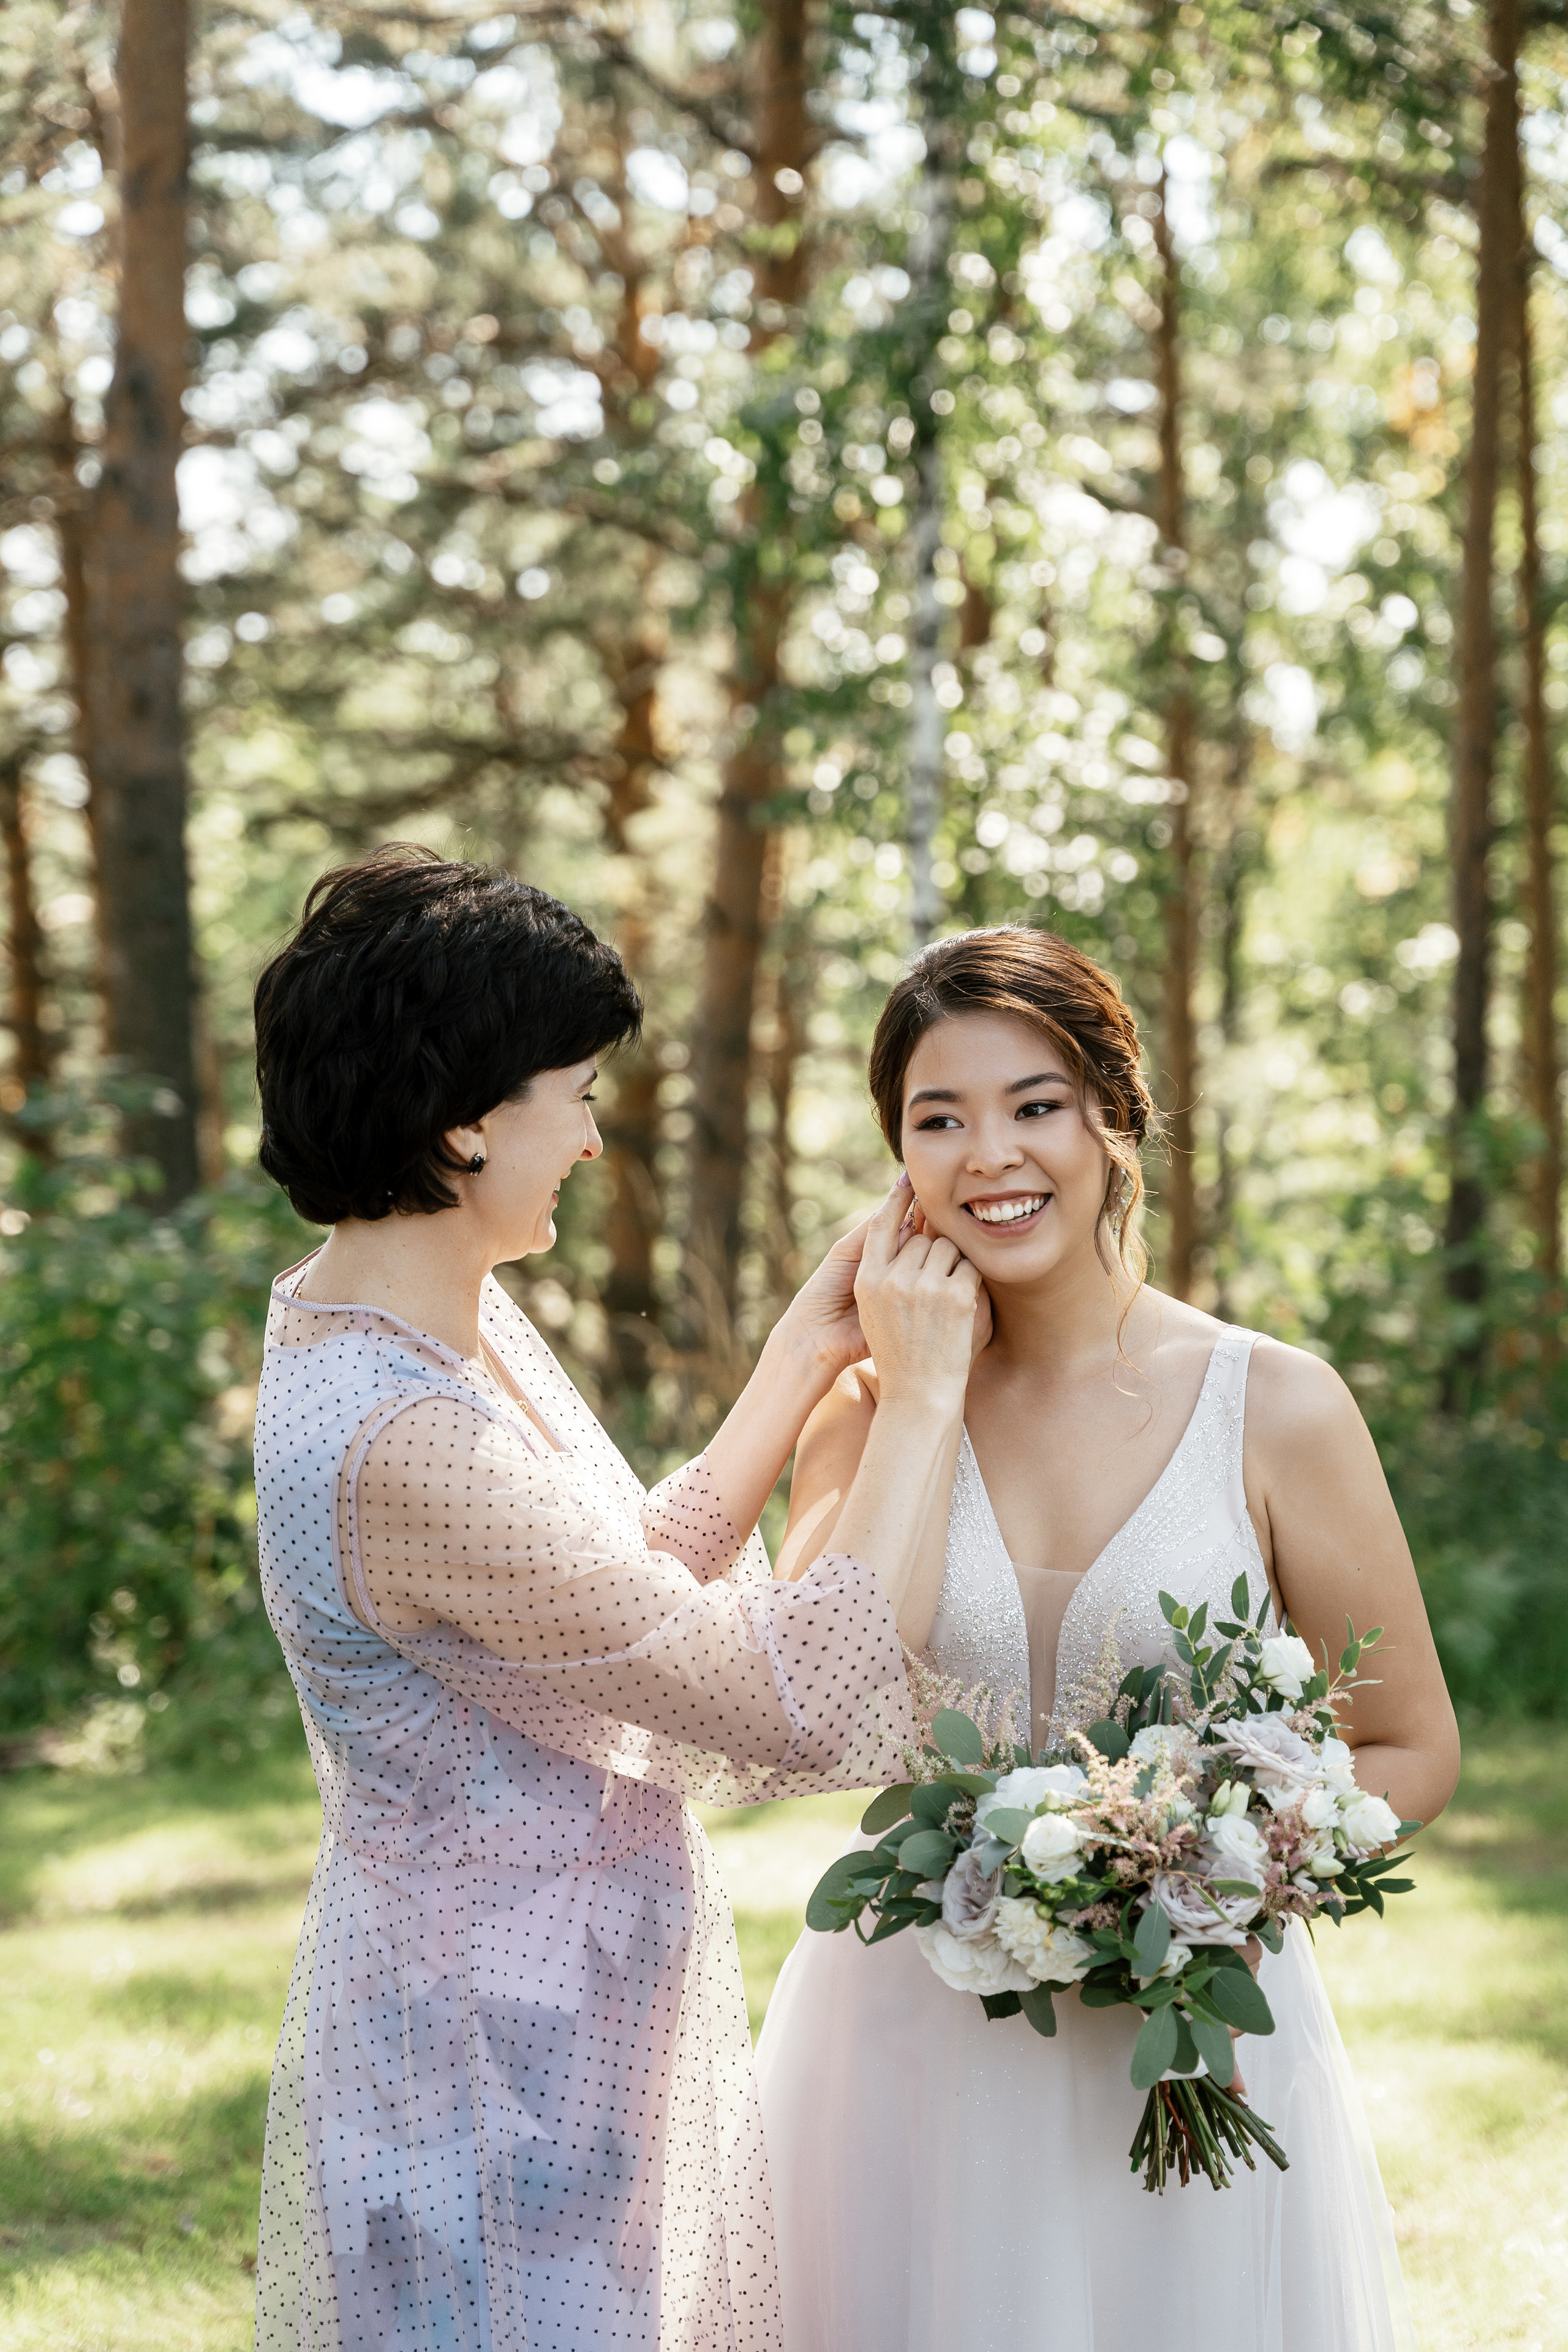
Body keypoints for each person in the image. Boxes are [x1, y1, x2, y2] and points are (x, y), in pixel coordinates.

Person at [247, 845, 987, 2351]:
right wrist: (913, 1400)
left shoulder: (412, 1322)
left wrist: (792, 1363)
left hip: (546, 2007)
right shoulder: (401, 1434)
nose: (593, 1140)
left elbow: (603, 1588)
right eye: (573, 1094)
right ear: (463, 1124)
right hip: (491, 2054)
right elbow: (774, 1703)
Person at [756, 924, 1460, 2352]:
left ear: (1113, 1117)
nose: (986, 1156)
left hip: (1184, 2043)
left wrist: (1219, 1864)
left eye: (1032, 1105)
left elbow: (1408, 1741)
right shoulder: (866, 1414)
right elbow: (818, 1705)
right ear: (897, 1160)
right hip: (901, 2033)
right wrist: (916, 1397)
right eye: (935, 1120)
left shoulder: (1275, 1406)